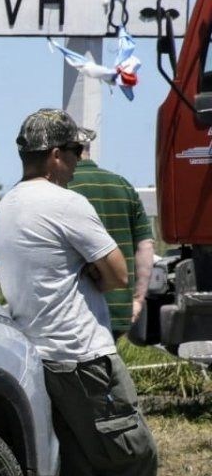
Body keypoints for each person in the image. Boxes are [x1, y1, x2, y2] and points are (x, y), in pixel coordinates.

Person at [0, 108, 165, 476]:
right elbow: (116, 273)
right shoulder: (65, 202)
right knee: (136, 456)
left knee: (82, 468)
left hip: (42, 354)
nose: (76, 159)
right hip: (84, 354)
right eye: (72, 151)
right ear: (53, 156)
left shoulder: (7, 203)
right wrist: (89, 270)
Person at [69, 145, 155, 339]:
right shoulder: (122, 185)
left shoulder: (63, 186)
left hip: (77, 311)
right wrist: (138, 300)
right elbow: (145, 246)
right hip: (119, 309)